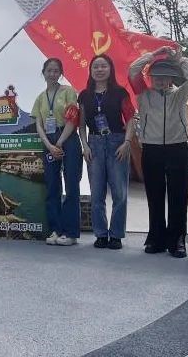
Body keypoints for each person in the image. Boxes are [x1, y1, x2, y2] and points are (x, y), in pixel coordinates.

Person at [129, 46, 188, 258]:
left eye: (165, 76)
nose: (160, 80)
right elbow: (133, 70)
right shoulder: (143, 95)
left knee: (179, 196)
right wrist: (153, 54)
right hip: (151, 148)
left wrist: (180, 60)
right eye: (156, 76)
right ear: (150, 78)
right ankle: (156, 238)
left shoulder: (180, 94)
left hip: (178, 147)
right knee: (154, 196)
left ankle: (177, 240)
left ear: (171, 78)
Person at [77, 54, 136, 250]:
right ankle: (101, 234)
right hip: (94, 144)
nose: (99, 70)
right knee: (97, 193)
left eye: (103, 66)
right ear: (91, 71)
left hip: (117, 142)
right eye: (96, 67)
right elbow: (81, 125)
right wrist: (85, 146)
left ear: (110, 69)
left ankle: (116, 235)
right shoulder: (84, 95)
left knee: (119, 193)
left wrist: (127, 142)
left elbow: (130, 119)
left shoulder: (120, 92)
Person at [31, 58, 82, 246]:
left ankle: (71, 233)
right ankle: (56, 229)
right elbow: (38, 124)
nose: (52, 74)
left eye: (56, 71)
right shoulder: (40, 98)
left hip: (68, 138)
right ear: (43, 73)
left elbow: (73, 118)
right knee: (52, 186)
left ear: (60, 73)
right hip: (49, 141)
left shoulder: (68, 91)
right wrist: (49, 145)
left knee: (71, 185)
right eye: (49, 70)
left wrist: (59, 143)